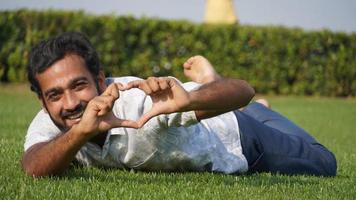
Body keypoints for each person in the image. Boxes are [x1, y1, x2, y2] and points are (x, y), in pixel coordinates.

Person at [22, 32, 337, 177]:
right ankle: (213, 85)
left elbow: (244, 89)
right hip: (212, 119)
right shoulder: (53, 120)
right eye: (55, 94)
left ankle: (245, 105)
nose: (71, 103)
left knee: (325, 162)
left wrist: (190, 99)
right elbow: (33, 166)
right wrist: (78, 135)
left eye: (79, 85)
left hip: (238, 139)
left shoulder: (139, 102)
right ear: (43, 99)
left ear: (102, 80)